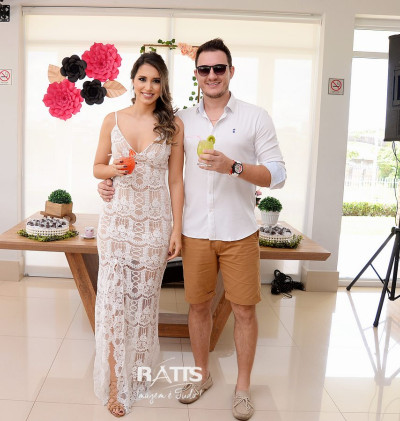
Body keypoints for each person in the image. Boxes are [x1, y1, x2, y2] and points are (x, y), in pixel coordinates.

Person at [98, 38, 286, 421]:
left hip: (238, 232)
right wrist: (109, 182)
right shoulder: (181, 120)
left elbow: (278, 174)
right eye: (204, 69)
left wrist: (234, 167)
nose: (212, 75)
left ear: (230, 71)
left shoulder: (255, 117)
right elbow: (167, 176)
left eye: (219, 68)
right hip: (196, 231)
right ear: (196, 74)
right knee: (198, 308)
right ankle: (201, 376)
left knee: (244, 310)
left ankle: (243, 389)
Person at [92, 52, 184, 417]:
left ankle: (136, 371)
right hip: (116, 225)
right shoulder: (112, 120)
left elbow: (175, 181)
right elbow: (97, 167)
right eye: (143, 79)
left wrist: (177, 229)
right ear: (132, 81)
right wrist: (111, 172)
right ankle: (116, 384)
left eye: (156, 80)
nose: (149, 86)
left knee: (143, 304)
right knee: (113, 303)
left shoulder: (172, 126)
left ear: (163, 85)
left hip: (154, 226)